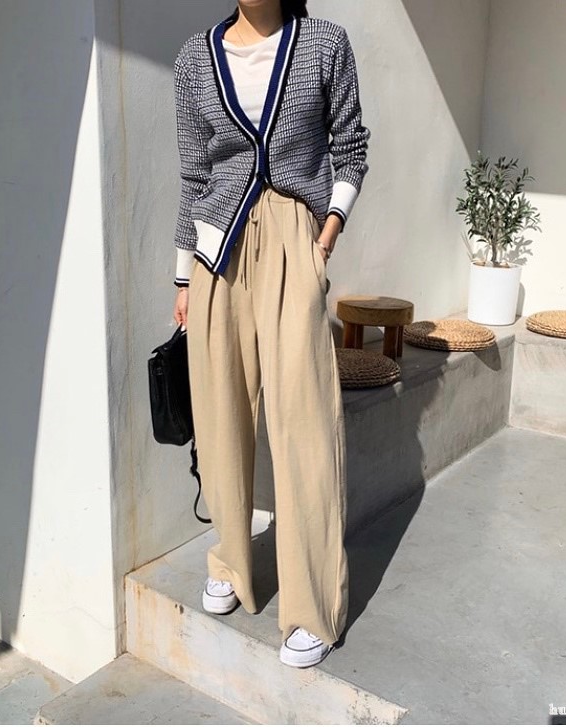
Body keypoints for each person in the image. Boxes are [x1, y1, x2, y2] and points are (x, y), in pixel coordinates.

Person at [171, 0, 370, 668]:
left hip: (293, 238)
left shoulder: (323, 43)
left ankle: (312, 605)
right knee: (220, 414)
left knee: (304, 422)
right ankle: (231, 562)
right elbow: (194, 176)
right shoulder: (194, 58)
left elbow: (350, 148)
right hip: (215, 254)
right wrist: (182, 279)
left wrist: (324, 238)